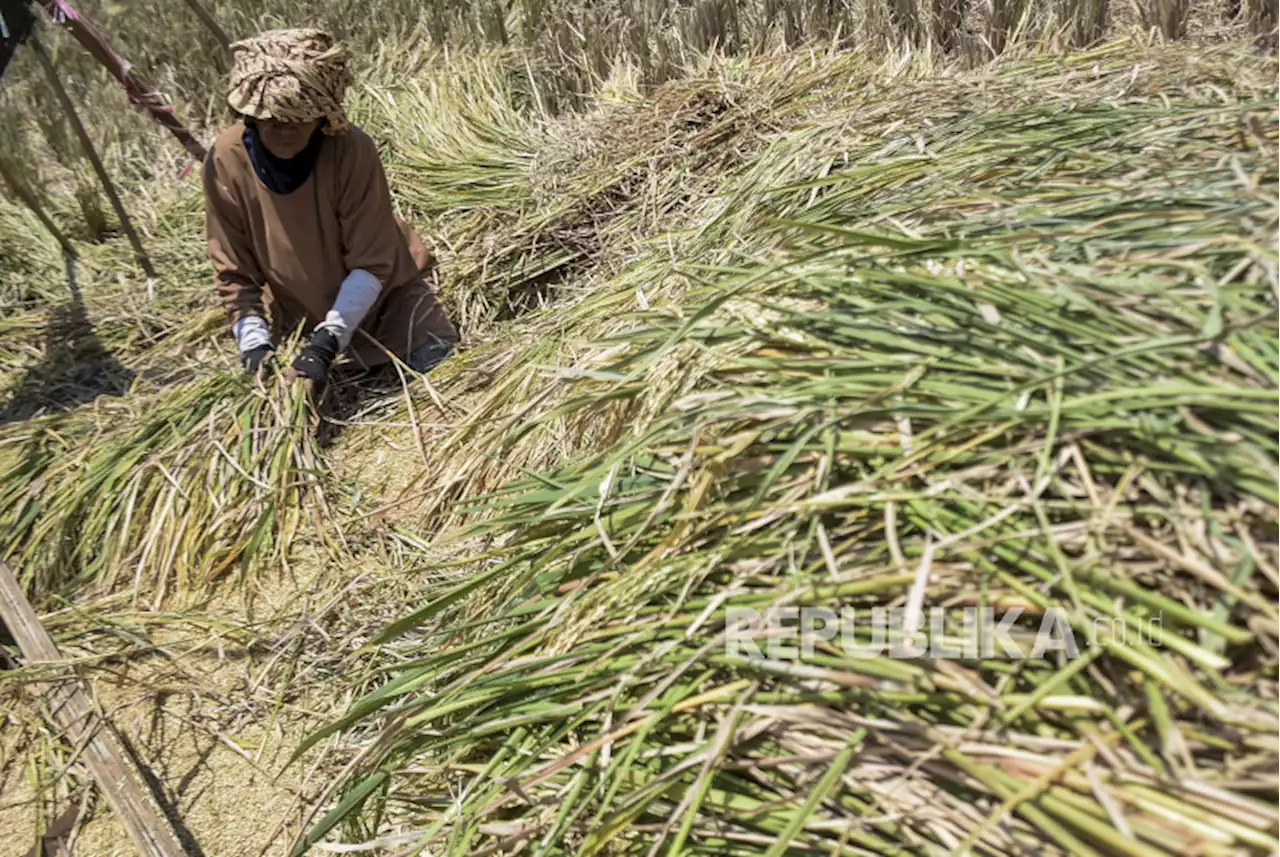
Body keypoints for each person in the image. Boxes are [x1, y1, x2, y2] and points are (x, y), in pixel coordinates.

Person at [202, 28, 457, 384]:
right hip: (298, 311)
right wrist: (254, 344)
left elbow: (372, 263)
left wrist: (327, 342)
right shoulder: (225, 160)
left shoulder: (351, 150)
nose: (286, 130)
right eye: (273, 119)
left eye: (300, 117)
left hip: (389, 302)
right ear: (251, 115)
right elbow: (234, 272)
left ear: (323, 115)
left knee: (441, 368)